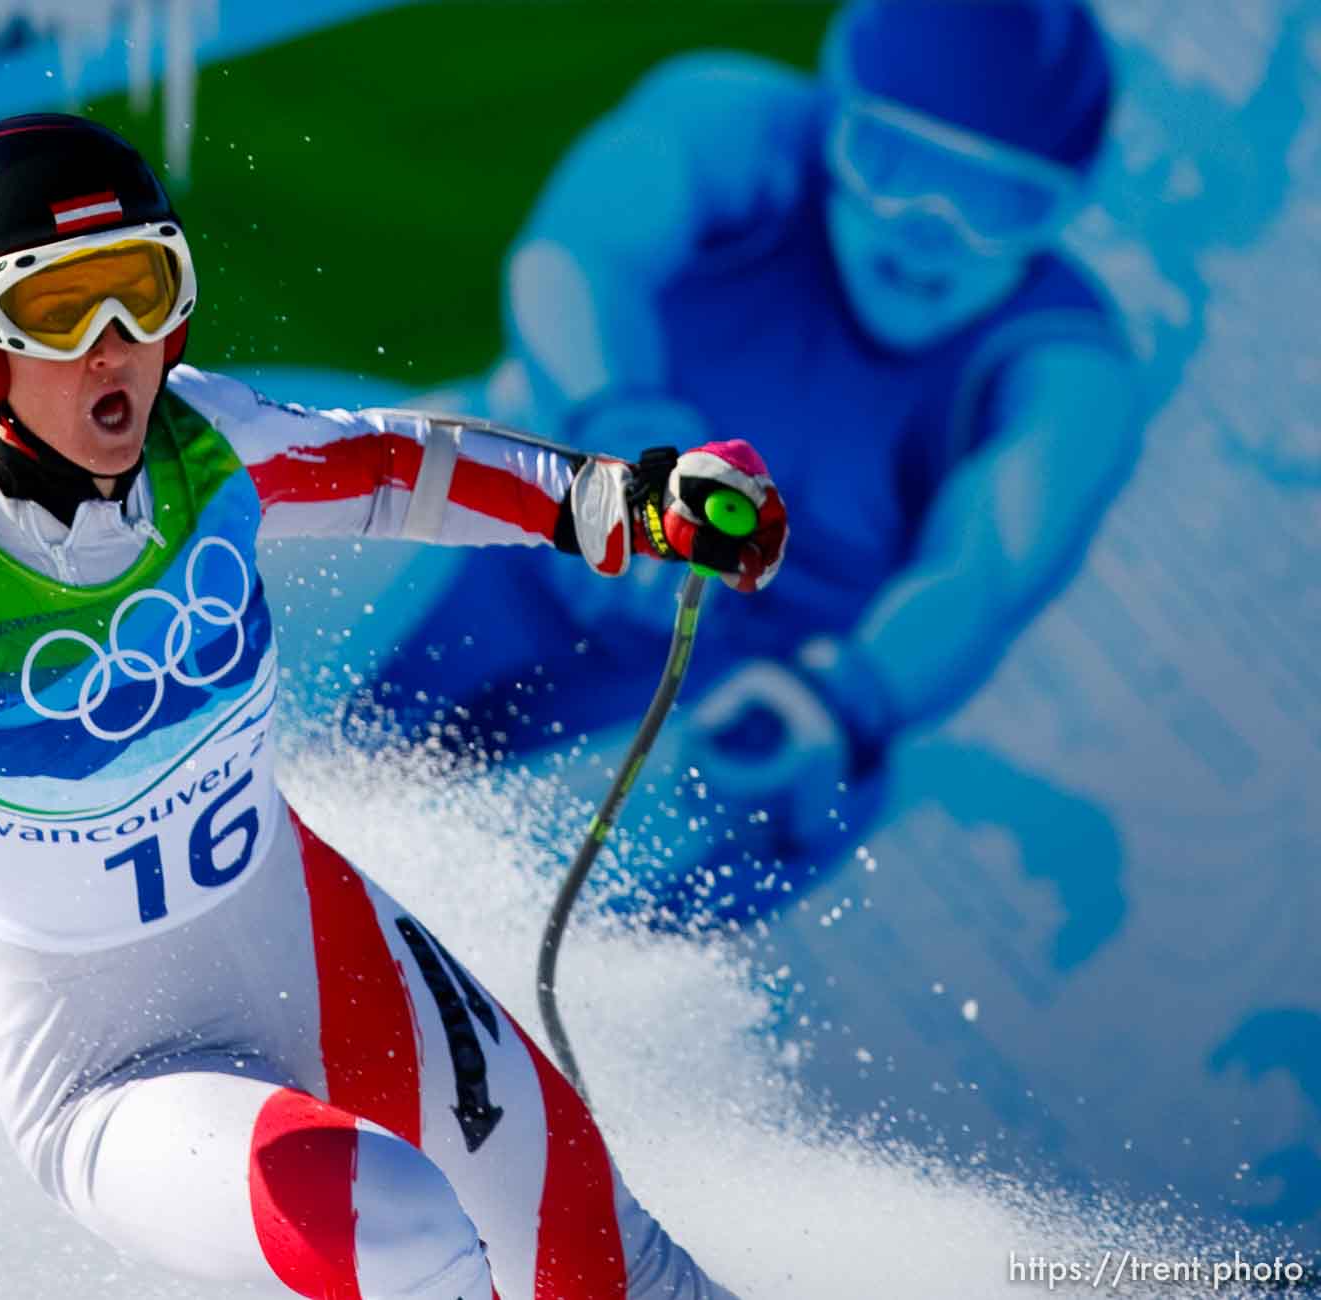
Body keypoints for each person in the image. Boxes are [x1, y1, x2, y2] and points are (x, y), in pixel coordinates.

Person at [0, 114, 787, 1299]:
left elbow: (393, 469)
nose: (114, 350)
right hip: (113, 1074)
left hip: (316, 942)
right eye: (58, 312)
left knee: (586, 1229)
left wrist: (618, 498)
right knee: (391, 1225)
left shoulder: (205, 442)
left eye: (140, 292)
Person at [376, 0, 1140, 927]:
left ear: (1057, 211)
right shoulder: (738, 131)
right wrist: (626, 433)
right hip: (546, 529)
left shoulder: (1064, 373)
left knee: (804, 789)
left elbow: (981, 572)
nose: (926, 231)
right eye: (892, 167)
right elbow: (578, 256)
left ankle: (577, 989)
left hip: (736, 694)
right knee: (413, 500)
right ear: (834, 117)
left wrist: (846, 697)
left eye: (993, 204)